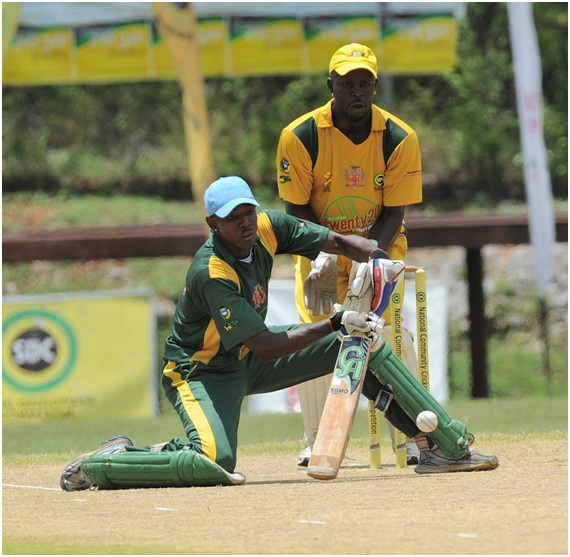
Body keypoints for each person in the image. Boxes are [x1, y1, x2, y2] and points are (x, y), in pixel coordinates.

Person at [60, 176, 498, 492]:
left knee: (360, 343)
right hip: (200, 373)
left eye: (249, 212)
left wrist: (378, 260)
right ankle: (107, 462)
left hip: (246, 358)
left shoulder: (266, 228)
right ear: (213, 223)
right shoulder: (212, 272)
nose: (246, 223)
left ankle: (439, 443)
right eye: (234, 219)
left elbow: (341, 241)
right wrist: (333, 321)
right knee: (215, 462)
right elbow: (266, 348)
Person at [276, 43, 423, 466]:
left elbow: (395, 210)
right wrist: (322, 250)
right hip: (319, 249)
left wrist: (370, 258)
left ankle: (415, 436)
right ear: (331, 86)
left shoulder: (399, 137)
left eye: (364, 84)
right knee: (319, 336)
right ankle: (316, 441)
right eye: (347, 84)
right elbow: (295, 207)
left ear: (375, 87)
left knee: (389, 335)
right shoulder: (300, 135)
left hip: (379, 248)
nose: (356, 92)